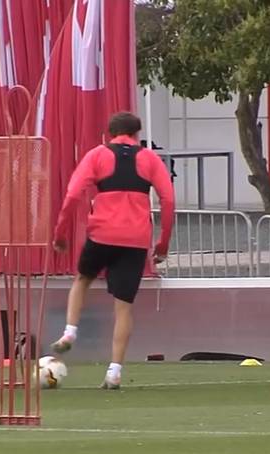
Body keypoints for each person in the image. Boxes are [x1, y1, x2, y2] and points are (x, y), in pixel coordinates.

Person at [50, 111, 175, 389]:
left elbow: (72, 195)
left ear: (110, 133)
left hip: (102, 233)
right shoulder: (150, 159)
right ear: (137, 134)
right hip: (135, 239)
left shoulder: (97, 155)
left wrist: (60, 233)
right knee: (123, 308)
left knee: (83, 278)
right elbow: (168, 200)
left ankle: (70, 332)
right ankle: (114, 372)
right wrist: (162, 244)